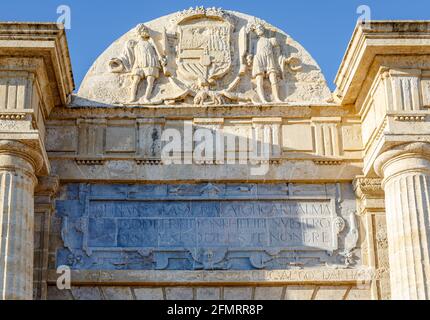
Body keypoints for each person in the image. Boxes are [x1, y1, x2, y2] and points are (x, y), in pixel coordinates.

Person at [109, 24, 166, 103]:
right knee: (135, 81)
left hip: (151, 62)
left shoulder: (151, 42)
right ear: (139, 33)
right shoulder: (133, 43)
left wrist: (161, 58)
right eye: (143, 30)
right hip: (138, 64)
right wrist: (118, 61)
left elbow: (158, 52)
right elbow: (126, 54)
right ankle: (132, 98)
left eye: (146, 30)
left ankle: (146, 98)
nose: (146, 32)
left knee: (150, 81)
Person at [247, 23, 282, 103]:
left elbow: (277, 51)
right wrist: (249, 58)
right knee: (259, 80)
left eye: (261, 28)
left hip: (269, 58)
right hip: (258, 59)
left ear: (263, 29)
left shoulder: (270, 40)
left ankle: (277, 98)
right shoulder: (254, 42)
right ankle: (263, 99)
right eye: (257, 29)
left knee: (273, 78)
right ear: (255, 31)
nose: (259, 30)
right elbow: (250, 52)